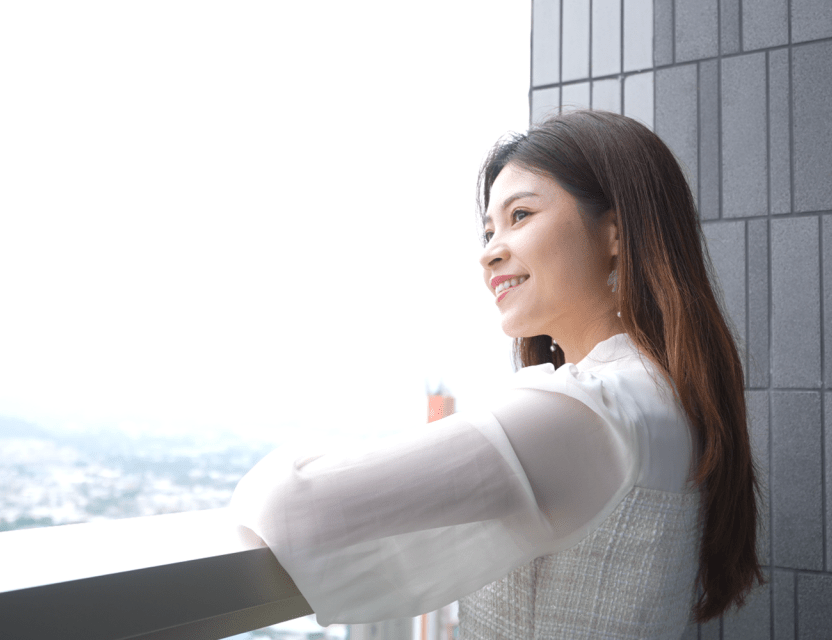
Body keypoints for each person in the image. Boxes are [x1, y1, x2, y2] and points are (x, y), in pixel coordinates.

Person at [230, 108, 765, 639]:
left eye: (521, 215)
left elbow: (290, 506)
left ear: (616, 232)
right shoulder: (666, 396)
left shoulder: (587, 411)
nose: (489, 254)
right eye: (489, 231)